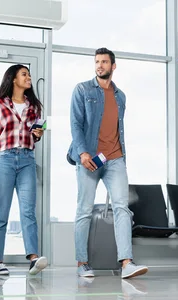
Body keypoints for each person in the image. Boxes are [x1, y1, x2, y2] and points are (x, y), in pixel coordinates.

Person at [67, 47, 149, 280]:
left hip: (114, 158)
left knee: (122, 207)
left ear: (113, 66)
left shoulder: (120, 96)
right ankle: (82, 263)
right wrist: (82, 153)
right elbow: (76, 124)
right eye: (97, 62)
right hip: (89, 159)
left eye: (104, 62)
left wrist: (121, 156)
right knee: (84, 209)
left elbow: (117, 129)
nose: (100, 65)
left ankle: (126, 263)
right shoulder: (82, 90)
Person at [0, 64, 47, 276]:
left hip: (27, 159)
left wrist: (38, 136)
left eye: (29, 74)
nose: (29, 77)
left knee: (28, 212)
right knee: (2, 213)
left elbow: (35, 136)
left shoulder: (34, 106)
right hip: (4, 160)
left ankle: (33, 258)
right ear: (13, 79)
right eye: (24, 74)